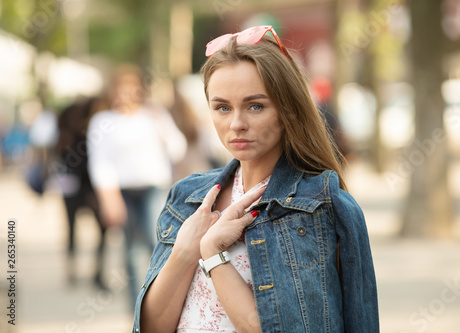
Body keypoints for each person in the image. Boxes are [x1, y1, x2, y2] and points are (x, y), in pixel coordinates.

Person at [133, 25, 378, 332]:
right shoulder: (186, 197)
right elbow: (153, 327)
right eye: (222, 107)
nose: (236, 123)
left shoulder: (324, 205)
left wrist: (212, 254)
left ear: (287, 110)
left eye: (255, 106)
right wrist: (185, 251)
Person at [86, 64, 187, 308]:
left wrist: (161, 125)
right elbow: (100, 163)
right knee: (131, 251)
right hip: (123, 191)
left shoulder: (153, 115)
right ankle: (137, 309)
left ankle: (165, 302)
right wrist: (109, 199)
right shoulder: (103, 121)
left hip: (153, 187)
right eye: (120, 89)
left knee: (158, 243)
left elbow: (177, 148)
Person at [55, 97, 108, 288]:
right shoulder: (90, 134)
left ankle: (76, 271)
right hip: (86, 188)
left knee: (72, 228)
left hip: (75, 188)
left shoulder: (65, 135)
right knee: (99, 230)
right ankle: (94, 273)